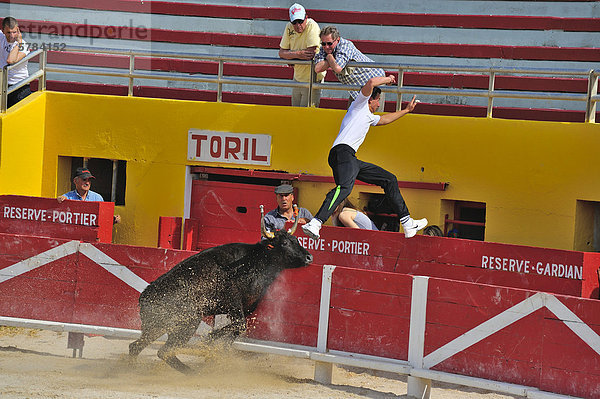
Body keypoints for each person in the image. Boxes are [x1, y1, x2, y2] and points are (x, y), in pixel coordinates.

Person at [302, 75, 426, 240]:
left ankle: (407, 222)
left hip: (349, 158)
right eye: (378, 100)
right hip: (342, 152)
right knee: (344, 188)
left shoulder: (369, 117)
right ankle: (316, 222)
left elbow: (383, 120)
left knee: (389, 179)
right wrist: (388, 79)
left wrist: (406, 111)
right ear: (371, 100)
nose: (379, 103)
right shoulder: (359, 105)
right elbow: (371, 83)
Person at [314, 26, 385, 111]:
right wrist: (332, 60)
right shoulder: (324, 49)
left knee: (372, 120)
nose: (326, 47)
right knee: (351, 120)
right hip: (356, 88)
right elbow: (317, 68)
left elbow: (337, 68)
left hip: (374, 82)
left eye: (329, 43)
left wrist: (329, 57)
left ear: (337, 40)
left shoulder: (345, 45)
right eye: (323, 43)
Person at [278, 4, 325, 107]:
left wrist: (290, 57)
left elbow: (309, 54)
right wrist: (298, 54)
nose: (298, 25)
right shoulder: (289, 27)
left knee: (307, 116)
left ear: (306, 18)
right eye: (294, 22)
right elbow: (281, 53)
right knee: (295, 114)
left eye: (300, 21)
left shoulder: (312, 25)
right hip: (297, 77)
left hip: (312, 79)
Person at [2, 17, 31, 108]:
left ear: (18, 30)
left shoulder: (24, 45)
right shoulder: (1, 37)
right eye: (8, 32)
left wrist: (19, 42)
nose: (11, 35)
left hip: (19, 86)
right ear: (3, 31)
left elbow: (11, 60)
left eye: (14, 32)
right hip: (3, 84)